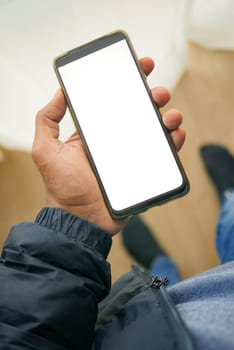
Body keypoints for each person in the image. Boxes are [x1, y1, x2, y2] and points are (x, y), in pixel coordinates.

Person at [0, 57, 233, 350]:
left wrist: (74, 219)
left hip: (154, 327)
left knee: (163, 283)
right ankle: (230, 197)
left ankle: (162, 262)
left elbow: (21, 335)